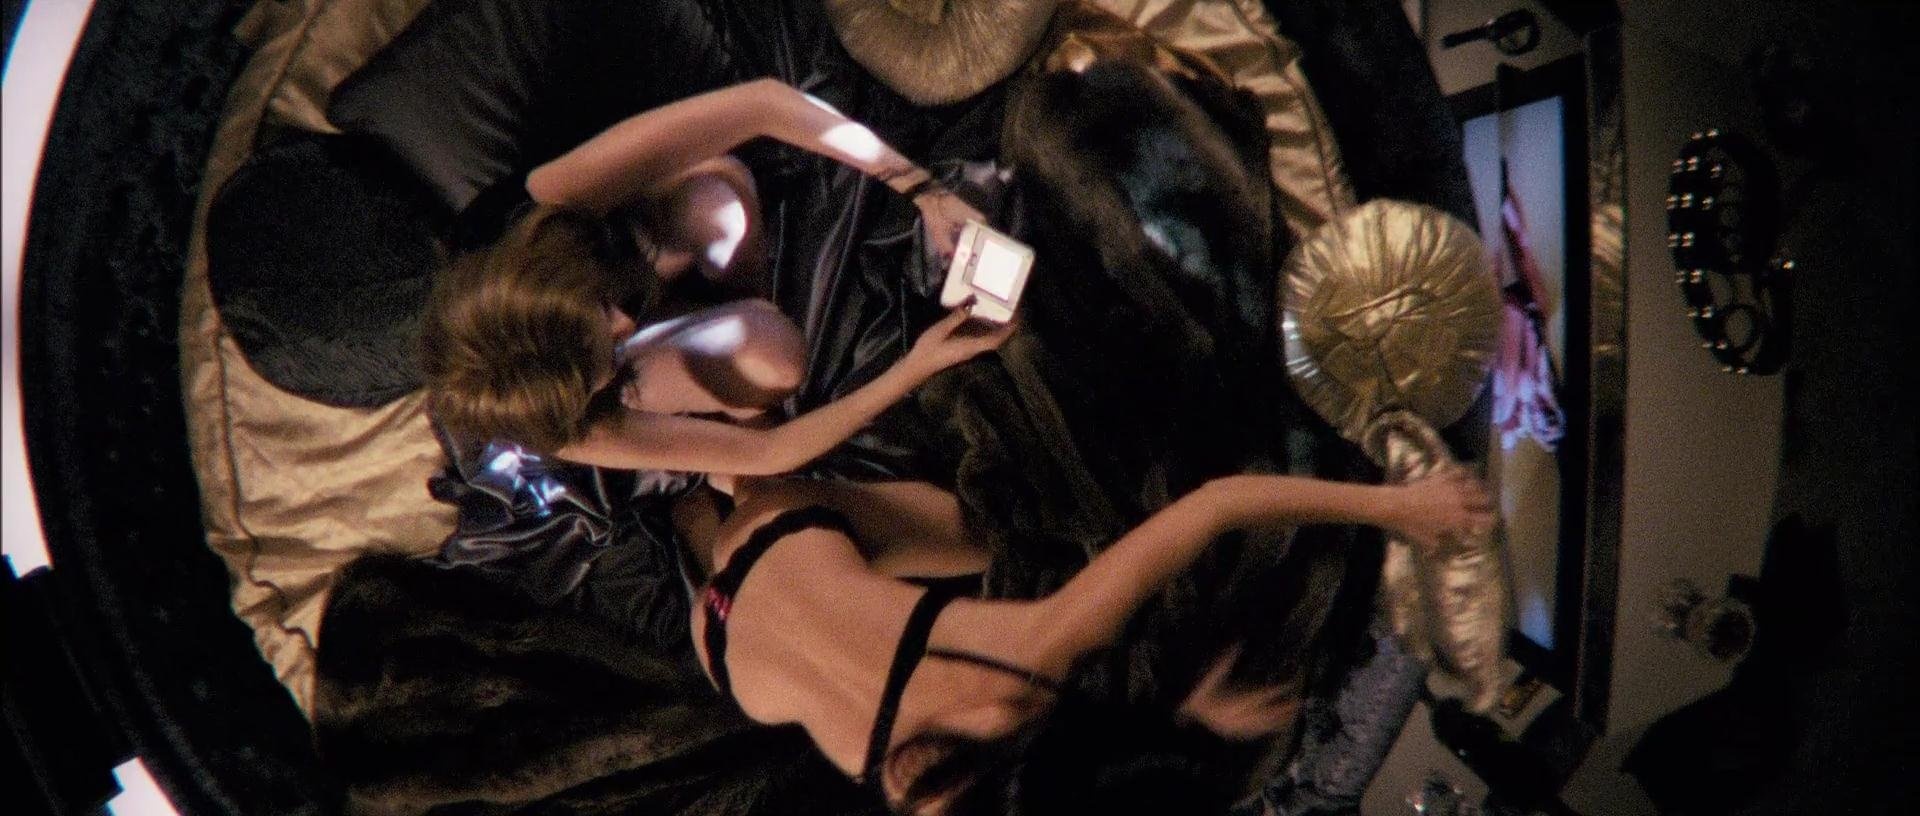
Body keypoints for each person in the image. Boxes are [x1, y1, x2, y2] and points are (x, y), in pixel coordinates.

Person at [682, 468, 1495, 814]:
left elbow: (1218, 503)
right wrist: (1188, 720)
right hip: (725, 654)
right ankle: (695, 506)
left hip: (779, 530)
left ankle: (722, 476)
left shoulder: (1029, 652)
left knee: (987, 533)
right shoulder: (934, 792)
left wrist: (1402, 507)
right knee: (954, 549)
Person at [421, 78, 1002, 473]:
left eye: (603, 310)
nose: (625, 322)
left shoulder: (553, 203)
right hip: (641, 350)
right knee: (774, 356)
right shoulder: (562, 414)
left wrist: (921, 190)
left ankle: (736, 306)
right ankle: (721, 369)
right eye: (609, 353)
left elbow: (765, 104)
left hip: (636, 238)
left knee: (716, 205)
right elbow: (769, 454)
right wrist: (917, 365)